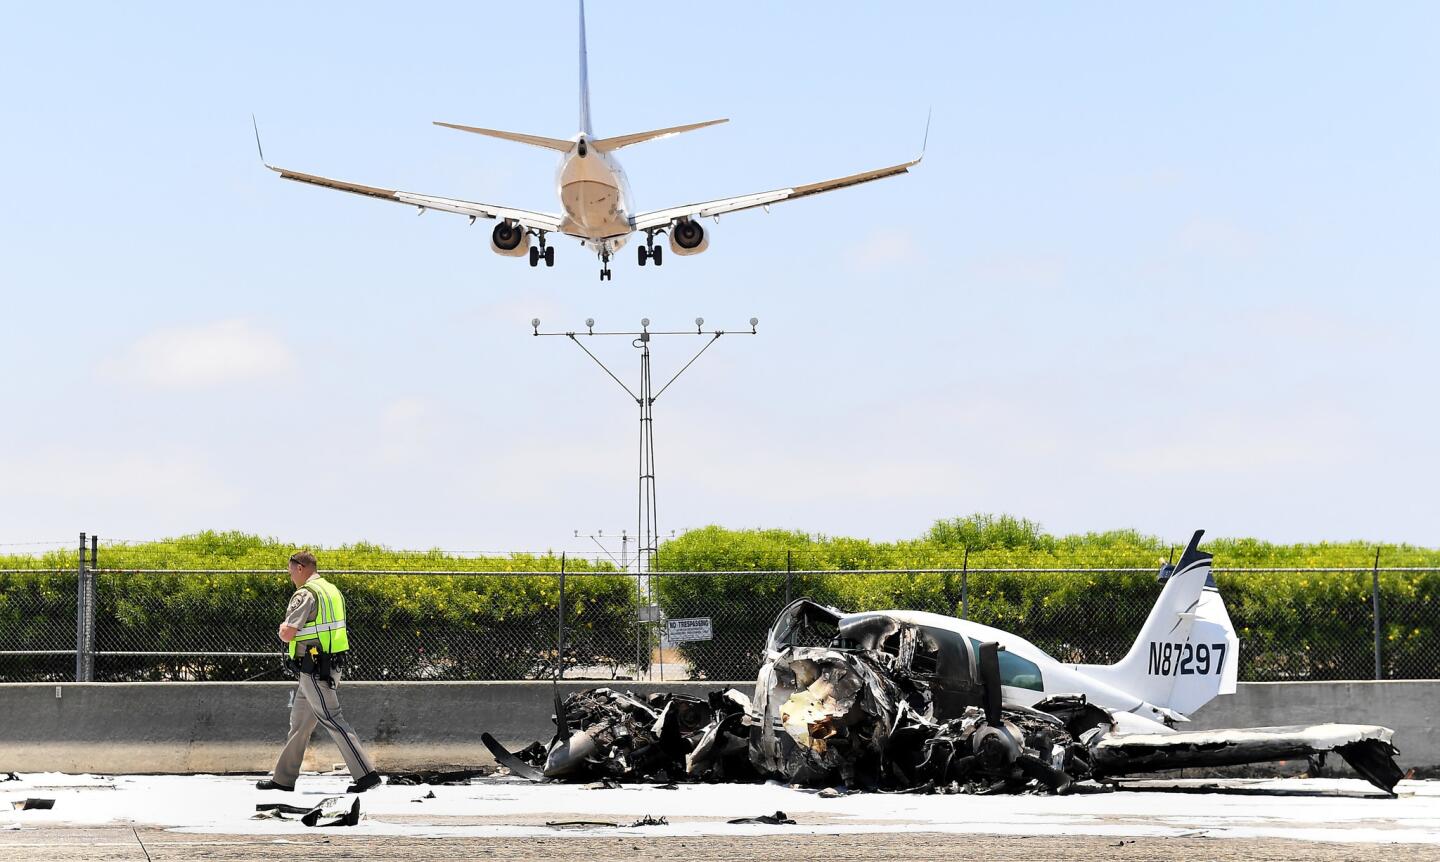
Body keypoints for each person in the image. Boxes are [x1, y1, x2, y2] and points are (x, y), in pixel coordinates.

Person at [256, 550, 381, 793]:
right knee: (300, 724)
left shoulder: (305, 594)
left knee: (332, 718)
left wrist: (282, 629)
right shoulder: (332, 590)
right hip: (327, 665)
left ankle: (367, 775)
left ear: (301, 567)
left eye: (291, 570)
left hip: (313, 667)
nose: (290, 575)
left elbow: (289, 632)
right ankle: (283, 779)